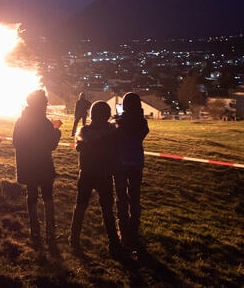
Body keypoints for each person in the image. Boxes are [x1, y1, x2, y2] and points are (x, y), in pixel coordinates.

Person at [69, 101, 121, 253]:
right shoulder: (112, 131)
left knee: (80, 206)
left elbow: (79, 146)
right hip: (104, 174)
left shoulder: (84, 131)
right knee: (107, 210)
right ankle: (114, 242)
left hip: (87, 173)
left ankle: (74, 238)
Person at [13, 89, 62, 249]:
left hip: (28, 165)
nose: (47, 105)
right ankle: (50, 230)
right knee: (47, 196)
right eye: (45, 102)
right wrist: (56, 130)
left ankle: (35, 229)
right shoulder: (44, 123)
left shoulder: (21, 121)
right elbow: (51, 145)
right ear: (40, 104)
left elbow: (16, 143)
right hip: (43, 165)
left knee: (32, 195)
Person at [114, 92, 149, 248]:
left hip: (120, 163)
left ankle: (123, 229)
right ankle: (134, 229)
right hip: (136, 162)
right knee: (135, 196)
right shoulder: (142, 123)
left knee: (121, 197)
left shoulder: (119, 122)